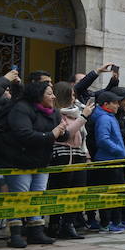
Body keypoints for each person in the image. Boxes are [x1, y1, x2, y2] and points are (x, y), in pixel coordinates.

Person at [0, 81, 72, 247]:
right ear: (38, 95)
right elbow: (24, 135)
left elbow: (62, 137)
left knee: (37, 196)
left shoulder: (53, 112)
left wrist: (63, 131)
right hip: (19, 162)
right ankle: (15, 233)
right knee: (20, 197)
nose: (53, 97)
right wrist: (51, 134)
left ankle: (36, 232)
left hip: (42, 162)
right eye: (49, 93)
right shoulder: (21, 109)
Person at [47, 82, 95, 240]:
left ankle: (69, 224)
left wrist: (86, 155)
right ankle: (54, 224)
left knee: (77, 191)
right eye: (72, 95)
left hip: (78, 154)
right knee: (60, 191)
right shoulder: (56, 113)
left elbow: (82, 137)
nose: (74, 98)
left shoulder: (77, 111)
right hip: (62, 155)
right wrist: (83, 117)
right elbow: (66, 134)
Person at [92, 90, 125, 234]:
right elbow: (103, 139)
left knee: (117, 192)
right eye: (115, 103)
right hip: (108, 161)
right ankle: (107, 223)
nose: (118, 105)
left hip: (113, 160)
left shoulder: (109, 116)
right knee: (109, 193)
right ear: (106, 104)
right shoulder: (104, 119)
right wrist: (119, 150)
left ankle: (115, 221)